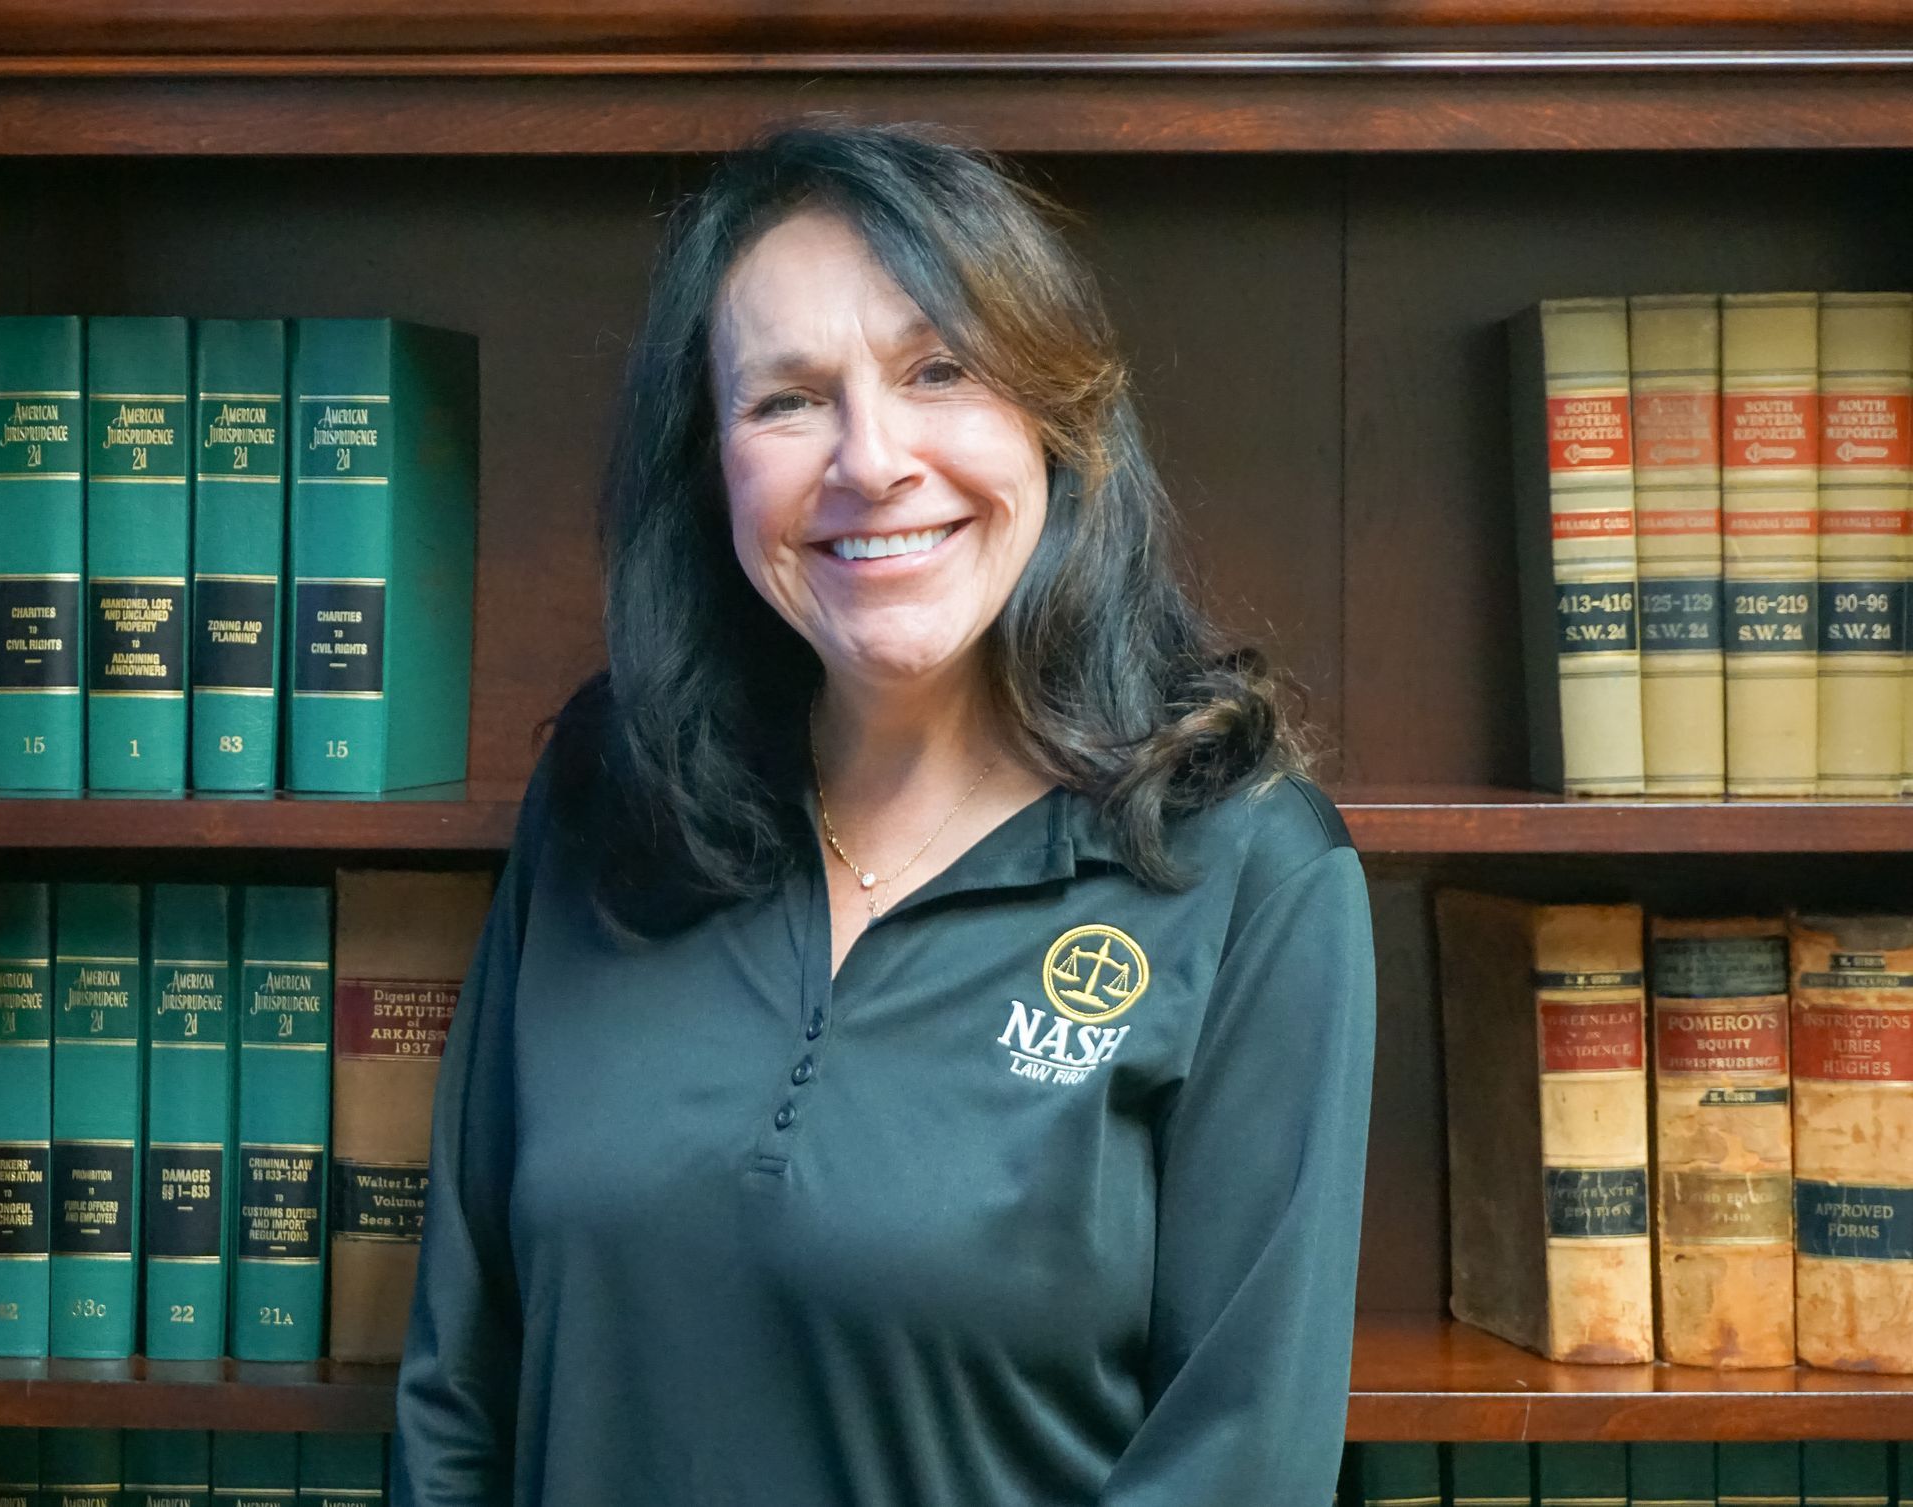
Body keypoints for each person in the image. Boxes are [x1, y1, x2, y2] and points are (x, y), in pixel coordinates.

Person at [392, 120, 1376, 1507]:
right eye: (786, 399)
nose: (872, 460)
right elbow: (459, 1382)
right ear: (710, 463)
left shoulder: (1246, 870)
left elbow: (1239, 1465)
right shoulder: (610, 793)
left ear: (1057, 415)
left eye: (939, 370)